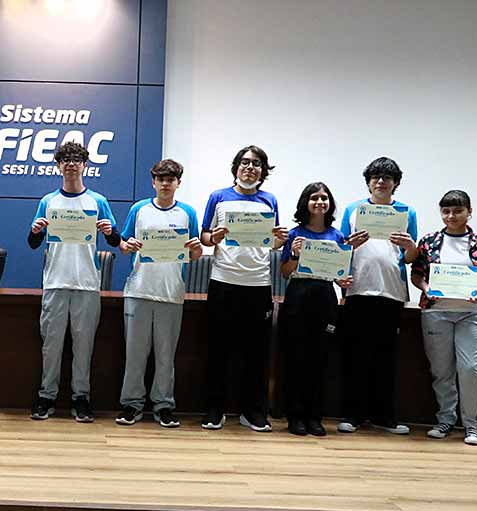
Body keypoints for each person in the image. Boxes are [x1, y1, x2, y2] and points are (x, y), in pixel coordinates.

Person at [28, 141, 120, 422]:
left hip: (87, 283)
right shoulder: (48, 201)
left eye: (76, 160)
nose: (70, 164)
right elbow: (33, 243)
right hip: (55, 282)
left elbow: (115, 240)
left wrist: (109, 231)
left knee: (84, 346)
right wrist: (36, 230)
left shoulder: (98, 201)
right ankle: (46, 396)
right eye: (65, 160)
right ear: (58, 166)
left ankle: (81, 398)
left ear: (85, 165)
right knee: (51, 345)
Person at [199, 145, 288, 432]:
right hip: (223, 281)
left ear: (263, 171)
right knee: (218, 351)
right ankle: (214, 410)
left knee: (257, 354)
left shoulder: (269, 200)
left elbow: (272, 242)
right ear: (236, 167)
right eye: (245, 162)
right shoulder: (218, 197)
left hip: (258, 284)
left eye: (257, 163)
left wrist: (281, 239)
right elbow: (204, 236)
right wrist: (214, 237)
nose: (250, 167)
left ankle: (253, 413)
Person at [114, 159, 202, 428]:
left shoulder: (188, 212)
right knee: (135, 354)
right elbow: (122, 244)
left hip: (171, 292)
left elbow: (195, 254)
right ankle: (132, 404)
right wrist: (127, 245)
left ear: (178, 183)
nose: (165, 183)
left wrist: (196, 248)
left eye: (170, 179)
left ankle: (163, 405)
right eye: (161, 179)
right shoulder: (139, 209)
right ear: (153, 182)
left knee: (166, 356)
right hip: (139, 290)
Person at [337, 157, 417, 434]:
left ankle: (385, 417)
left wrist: (410, 246)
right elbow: (341, 249)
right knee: (355, 355)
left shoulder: (407, 211)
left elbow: (410, 257)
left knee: (386, 357)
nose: (381, 181)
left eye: (387, 177)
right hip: (358, 289)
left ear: (396, 183)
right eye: (375, 177)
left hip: (392, 291)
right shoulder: (353, 209)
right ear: (369, 182)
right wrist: (350, 244)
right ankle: (352, 415)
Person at [278, 182, 355, 436]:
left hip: (325, 298)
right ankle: (295, 416)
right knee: (296, 357)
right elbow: (284, 272)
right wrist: (295, 255)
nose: (320, 202)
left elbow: (339, 275)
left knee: (320, 359)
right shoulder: (294, 234)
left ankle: (315, 416)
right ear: (306, 203)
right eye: (314, 198)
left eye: (324, 198)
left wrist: (343, 281)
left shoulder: (337, 237)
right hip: (298, 296)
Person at [411, 190, 477, 446]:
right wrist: (426, 288)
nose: (451, 216)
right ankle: (445, 419)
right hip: (436, 312)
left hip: (471, 314)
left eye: (458, 210)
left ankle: (472, 425)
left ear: (469, 212)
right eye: (446, 211)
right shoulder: (429, 241)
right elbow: (417, 274)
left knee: (470, 369)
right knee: (441, 371)